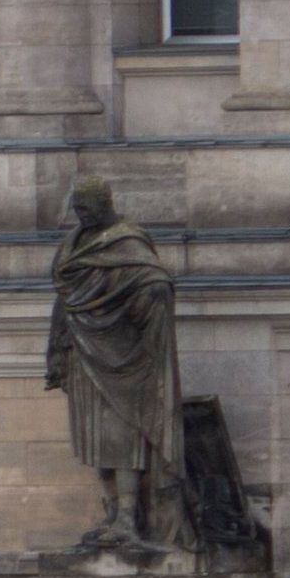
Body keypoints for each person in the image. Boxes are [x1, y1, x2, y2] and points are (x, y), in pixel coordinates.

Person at [46, 177, 184, 555]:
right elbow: (65, 298)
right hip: (82, 351)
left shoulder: (127, 241)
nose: (80, 214)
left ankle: (129, 515)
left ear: (105, 204)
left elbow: (155, 282)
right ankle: (110, 515)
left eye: (86, 207)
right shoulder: (74, 241)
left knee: (123, 436)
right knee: (94, 437)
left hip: (123, 358)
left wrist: (148, 298)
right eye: (77, 208)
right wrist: (57, 350)